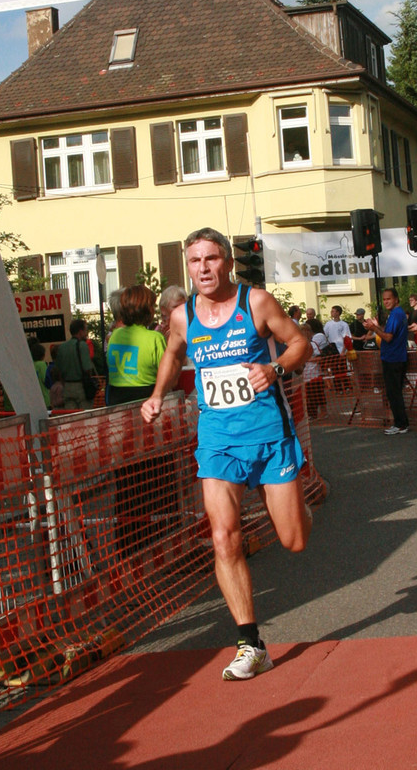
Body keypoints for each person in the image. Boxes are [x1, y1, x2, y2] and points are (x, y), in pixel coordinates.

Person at [141, 227, 312, 681]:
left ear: (228, 263)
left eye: (211, 259)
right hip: (217, 439)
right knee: (223, 537)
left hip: (269, 433)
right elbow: (172, 354)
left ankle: (299, 506)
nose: (203, 268)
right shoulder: (181, 316)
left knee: (294, 540)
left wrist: (275, 368)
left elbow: (300, 343)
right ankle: (250, 644)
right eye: (195, 261)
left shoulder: (256, 303)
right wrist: (157, 395)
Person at [106, 285, 166, 406]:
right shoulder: (155, 338)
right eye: (152, 306)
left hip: (115, 399)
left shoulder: (114, 335)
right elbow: (168, 376)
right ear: (147, 310)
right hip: (147, 400)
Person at [365, 288, 409, 435]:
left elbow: (388, 337)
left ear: (396, 299)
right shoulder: (397, 314)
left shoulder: (396, 314)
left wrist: (373, 328)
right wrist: (376, 326)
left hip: (393, 358)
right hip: (396, 357)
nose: (386, 302)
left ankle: (400, 423)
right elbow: (388, 332)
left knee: (393, 392)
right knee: (394, 392)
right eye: (384, 299)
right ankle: (400, 422)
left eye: (389, 299)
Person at [54, 318, 96, 410]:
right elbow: (87, 368)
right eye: (85, 330)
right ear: (80, 332)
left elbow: (58, 371)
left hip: (67, 388)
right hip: (81, 387)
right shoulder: (82, 345)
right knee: (85, 415)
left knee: (71, 415)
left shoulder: (62, 347)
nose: (86, 334)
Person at [300, 322, 326, 419]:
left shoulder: (313, 345)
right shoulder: (299, 345)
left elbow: (320, 358)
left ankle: (323, 412)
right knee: (309, 396)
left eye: (307, 332)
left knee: (318, 395)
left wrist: (308, 360)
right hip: (305, 375)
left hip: (315, 374)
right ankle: (312, 414)